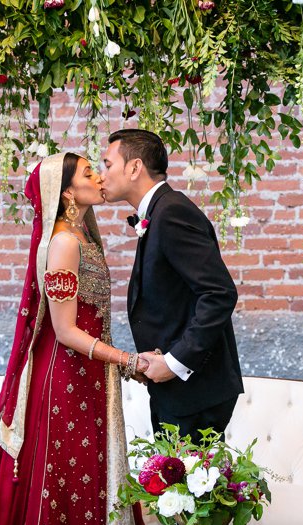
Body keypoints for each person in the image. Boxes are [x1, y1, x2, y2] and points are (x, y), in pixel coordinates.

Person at [0, 152, 144, 525]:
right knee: (70, 471)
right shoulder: (64, 243)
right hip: (65, 377)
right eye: (88, 172)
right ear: (67, 191)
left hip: (89, 371)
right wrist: (125, 360)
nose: (99, 177)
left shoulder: (84, 237)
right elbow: (64, 330)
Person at [101, 129, 243, 444]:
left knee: (185, 490)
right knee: (170, 489)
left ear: (134, 168)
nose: (102, 175)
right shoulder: (160, 211)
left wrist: (175, 362)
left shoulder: (172, 212)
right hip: (177, 389)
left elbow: (219, 293)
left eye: (107, 165)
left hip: (195, 392)